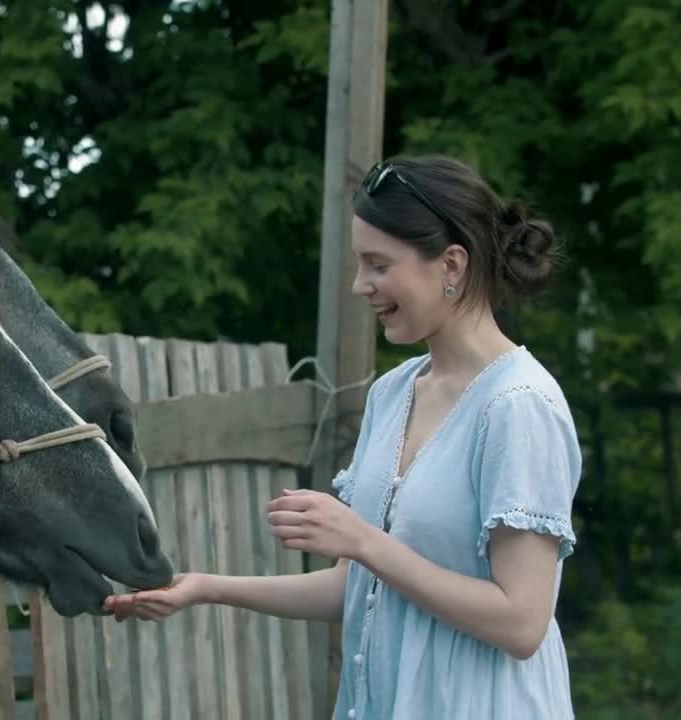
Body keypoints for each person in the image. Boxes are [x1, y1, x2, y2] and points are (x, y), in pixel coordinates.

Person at [104, 155, 580, 719]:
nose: (361, 285)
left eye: (378, 265)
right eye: (360, 264)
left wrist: (361, 540)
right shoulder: (393, 393)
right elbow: (354, 589)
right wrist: (204, 587)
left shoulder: (519, 406)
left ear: (451, 264)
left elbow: (522, 623)